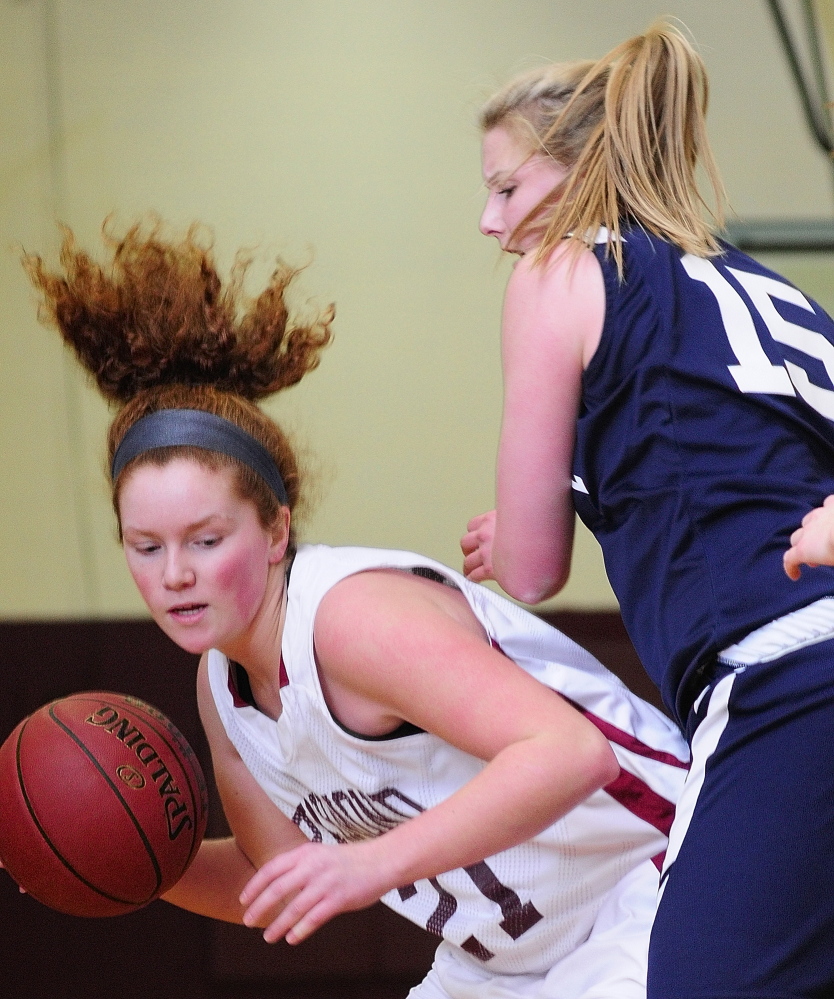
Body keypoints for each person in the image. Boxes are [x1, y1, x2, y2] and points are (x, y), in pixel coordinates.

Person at [16, 219, 688, 999]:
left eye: (205, 539)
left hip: (654, 882)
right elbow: (277, 874)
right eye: (146, 545)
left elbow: (571, 753)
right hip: (505, 961)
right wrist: (117, 860)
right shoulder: (221, 687)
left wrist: (370, 862)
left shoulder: (349, 620)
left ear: (274, 529)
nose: (175, 574)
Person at [459, 20, 834, 999]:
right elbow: (711, 458)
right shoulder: (755, 283)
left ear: (583, 169)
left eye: (507, 187)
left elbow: (536, 572)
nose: (490, 224)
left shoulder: (560, 273)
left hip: (790, 673)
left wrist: (519, 530)